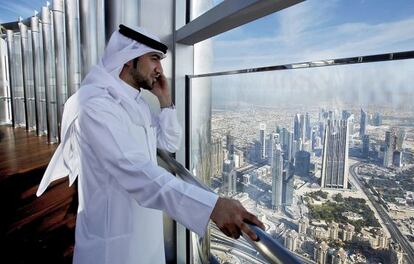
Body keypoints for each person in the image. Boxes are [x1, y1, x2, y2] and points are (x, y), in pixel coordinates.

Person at [36, 24, 264, 264]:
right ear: (128, 58)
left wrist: (165, 101)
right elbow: (136, 172)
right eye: (155, 58)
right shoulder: (95, 106)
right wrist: (211, 206)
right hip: (112, 242)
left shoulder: (138, 103)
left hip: (145, 226)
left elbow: (169, 141)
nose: (160, 70)